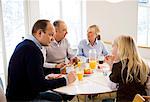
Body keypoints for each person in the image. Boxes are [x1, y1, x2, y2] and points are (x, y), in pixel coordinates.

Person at [6, 19, 76, 101]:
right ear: (40, 33)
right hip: (23, 98)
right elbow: (40, 85)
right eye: (50, 35)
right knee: (58, 98)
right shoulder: (32, 50)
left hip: (21, 93)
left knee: (57, 98)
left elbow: (37, 70)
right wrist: (66, 80)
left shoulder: (26, 45)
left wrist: (58, 70)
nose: (53, 39)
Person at [105, 35, 149, 102]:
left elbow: (111, 86)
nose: (111, 49)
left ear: (120, 48)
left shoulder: (119, 66)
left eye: (113, 46)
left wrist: (112, 66)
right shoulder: (144, 65)